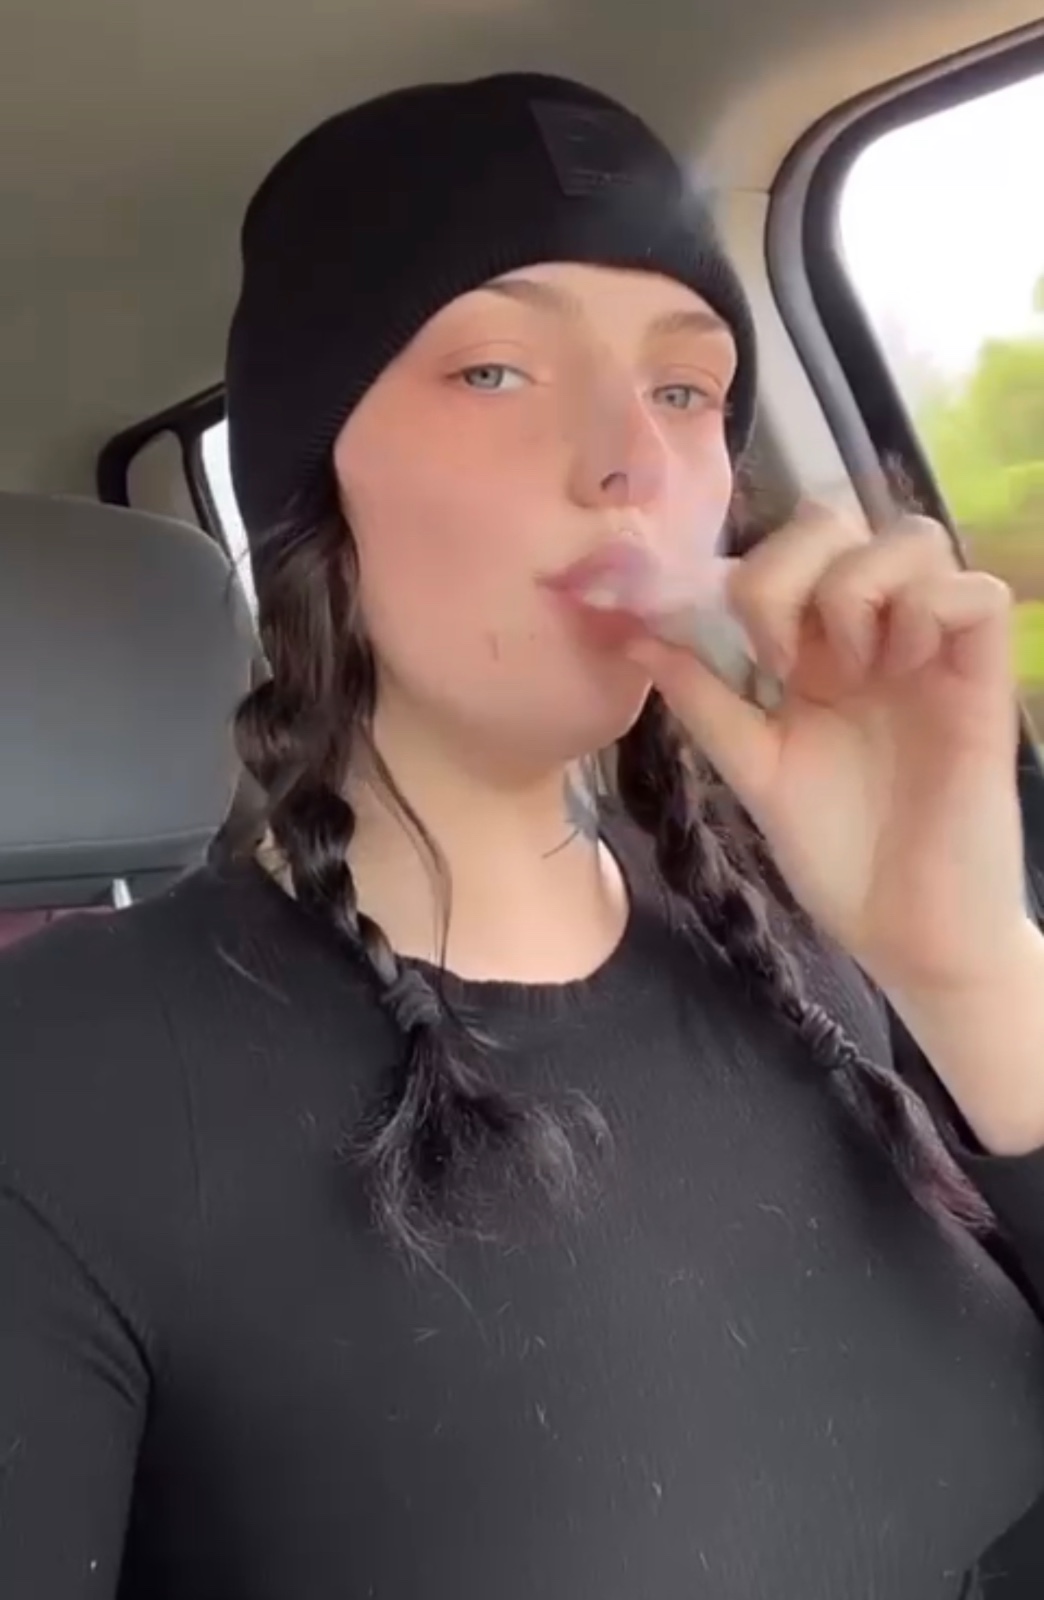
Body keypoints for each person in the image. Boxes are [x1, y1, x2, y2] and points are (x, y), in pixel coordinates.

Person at [2, 69, 1044, 1600]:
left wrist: (970, 964)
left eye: (686, 391)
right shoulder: (54, 1081)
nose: (637, 459)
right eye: (494, 370)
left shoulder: (810, 943)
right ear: (312, 500)